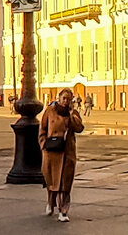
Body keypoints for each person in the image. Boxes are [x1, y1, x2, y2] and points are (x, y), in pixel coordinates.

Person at [41, 88, 84, 222]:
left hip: (67, 152)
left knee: (65, 184)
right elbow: (42, 128)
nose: (66, 101)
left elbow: (80, 128)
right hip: (52, 151)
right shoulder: (50, 111)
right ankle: (50, 203)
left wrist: (71, 115)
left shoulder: (73, 113)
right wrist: (43, 144)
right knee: (52, 183)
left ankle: (63, 212)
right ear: (59, 98)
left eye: (68, 99)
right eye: (64, 98)